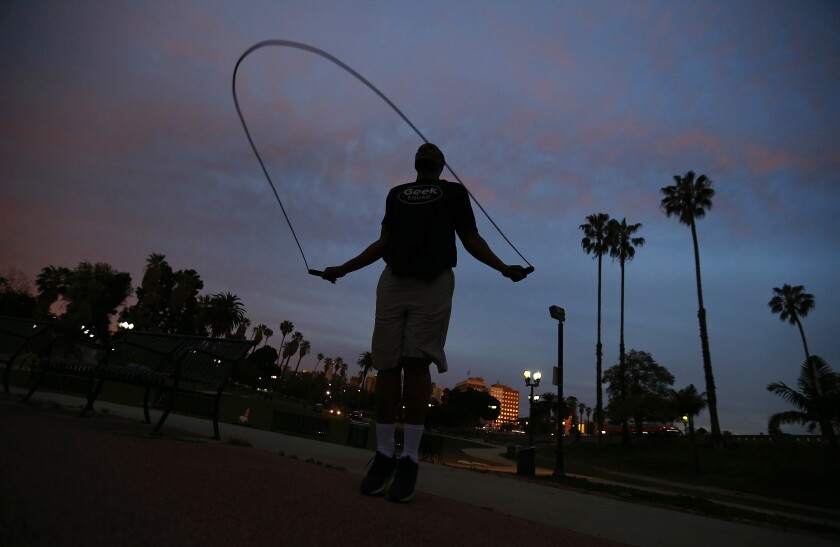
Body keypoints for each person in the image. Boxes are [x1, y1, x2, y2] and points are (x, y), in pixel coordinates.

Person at [320, 143, 529, 502]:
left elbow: (471, 238)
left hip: (434, 283)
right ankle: (384, 455)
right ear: (416, 161)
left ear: (441, 163)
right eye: (423, 147)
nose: (427, 148)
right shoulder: (396, 194)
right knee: (386, 367)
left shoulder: (454, 192)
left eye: (433, 149)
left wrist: (503, 267)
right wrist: (343, 267)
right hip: (393, 281)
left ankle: (411, 459)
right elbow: (384, 242)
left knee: (416, 365)